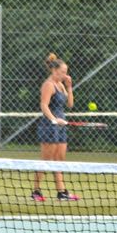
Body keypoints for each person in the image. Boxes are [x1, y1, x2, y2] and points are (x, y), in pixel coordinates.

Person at [32, 53, 80, 203]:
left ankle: (62, 192)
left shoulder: (61, 85)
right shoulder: (48, 85)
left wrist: (69, 87)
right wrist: (53, 119)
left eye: (66, 72)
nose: (65, 75)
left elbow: (70, 105)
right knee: (46, 160)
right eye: (62, 72)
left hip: (61, 125)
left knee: (59, 159)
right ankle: (36, 191)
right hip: (49, 126)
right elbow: (44, 105)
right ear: (54, 70)